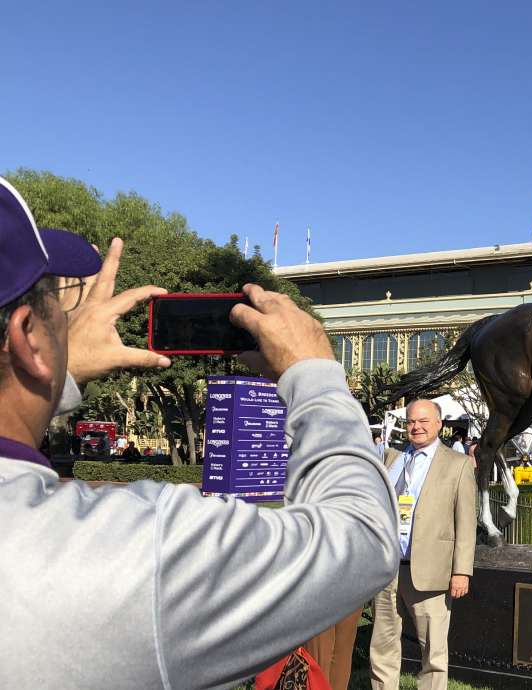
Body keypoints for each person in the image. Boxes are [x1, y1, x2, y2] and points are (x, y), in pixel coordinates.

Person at [0, 179, 398, 689]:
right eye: (60, 304)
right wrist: (314, 373)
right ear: (26, 335)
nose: (72, 318)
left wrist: (53, 373)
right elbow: (362, 538)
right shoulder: (137, 552)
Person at [369, 398, 477, 690]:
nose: (416, 427)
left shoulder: (459, 464)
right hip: (388, 569)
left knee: (433, 653)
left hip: (431, 572)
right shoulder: (392, 459)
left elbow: (466, 522)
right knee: (382, 646)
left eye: (423, 421)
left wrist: (462, 571)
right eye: (411, 422)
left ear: (439, 424)